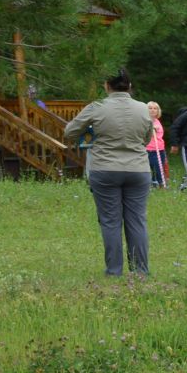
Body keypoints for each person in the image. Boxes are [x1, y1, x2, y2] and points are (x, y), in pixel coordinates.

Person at [63, 71, 154, 278]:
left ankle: (114, 271)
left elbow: (70, 132)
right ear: (129, 85)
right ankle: (140, 271)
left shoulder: (97, 107)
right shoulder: (143, 108)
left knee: (111, 221)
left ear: (107, 86)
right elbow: (147, 139)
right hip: (138, 169)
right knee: (137, 221)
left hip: (105, 169)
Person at [144, 101, 169, 187]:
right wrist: (150, 129)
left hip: (159, 148)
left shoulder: (157, 121)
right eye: (150, 108)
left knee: (159, 167)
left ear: (158, 111)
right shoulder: (145, 121)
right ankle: (153, 182)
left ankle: (161, 183)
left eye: (155, 108)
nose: (152, 110)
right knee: (149, 168)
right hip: (148, 149)